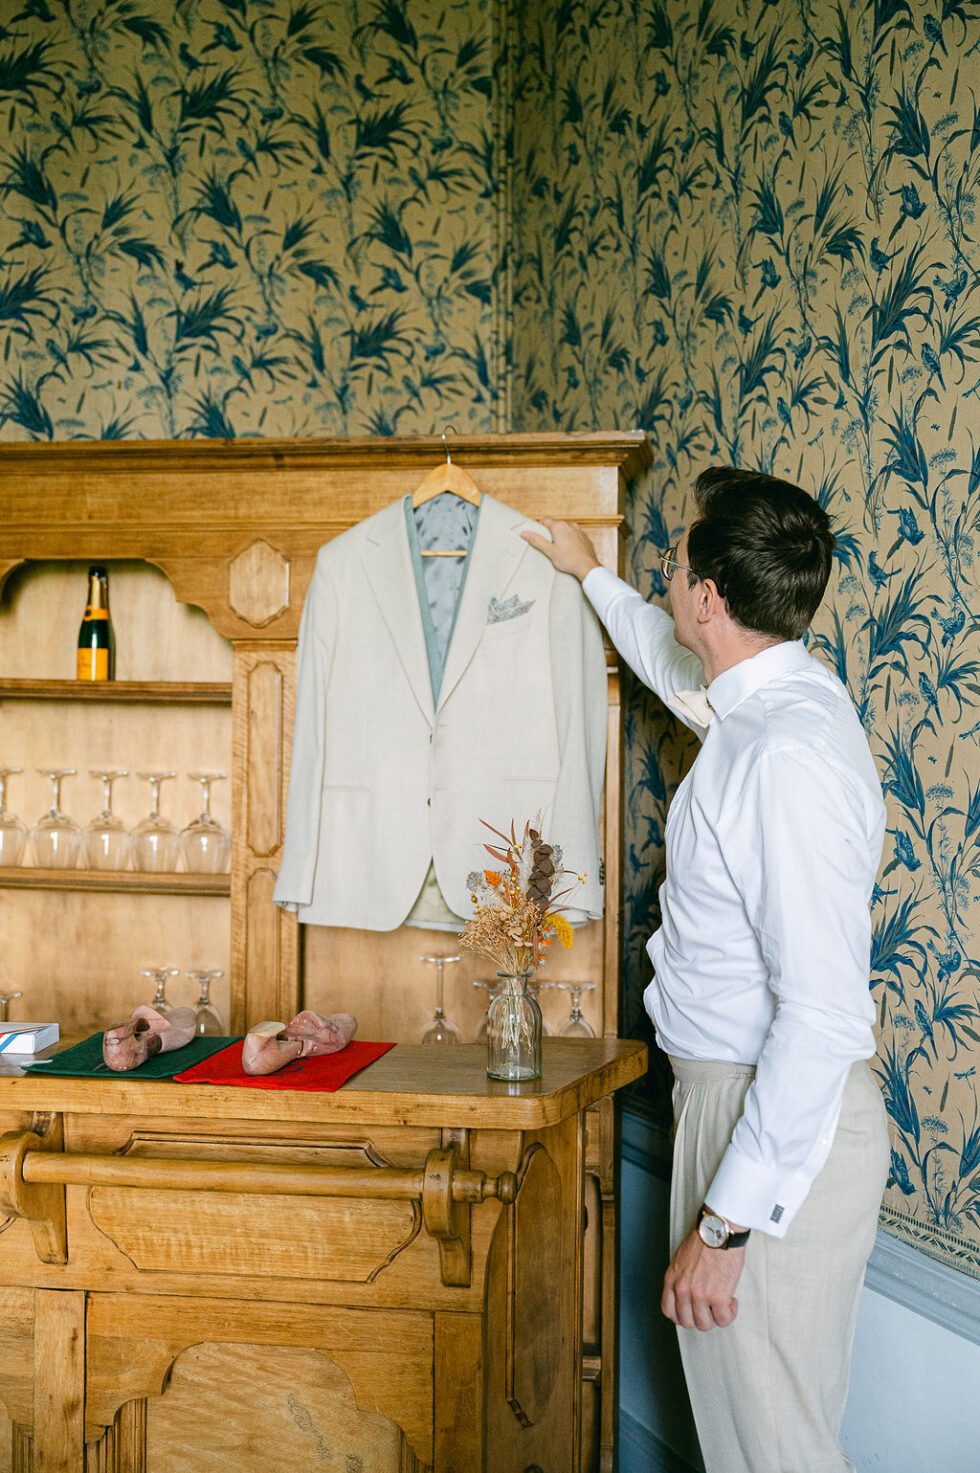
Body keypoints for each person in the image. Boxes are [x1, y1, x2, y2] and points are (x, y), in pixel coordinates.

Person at [523, 467, 889, 1473]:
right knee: (746, 1447)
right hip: (729, 1105)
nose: (667, 575)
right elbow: (662, 654)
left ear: (711, 599)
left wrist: (724, 1229)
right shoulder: (755, 702)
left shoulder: (782, 755)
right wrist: (588, 574)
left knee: (772, 1455)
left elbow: (821, 1015)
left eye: (675, 565)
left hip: (768, 1122)